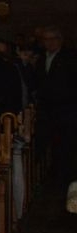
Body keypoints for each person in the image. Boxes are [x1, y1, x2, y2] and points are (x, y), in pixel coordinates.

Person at [35, 25, 77, 181]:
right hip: (47, 109)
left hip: (65, 109)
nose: (50, 42)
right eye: (47, 39)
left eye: (53, 39)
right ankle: (52, 174)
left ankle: (65, 175)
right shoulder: (41, 59)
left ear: (60, 40)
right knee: (49, 143)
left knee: (65, 144)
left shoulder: (69, 58)